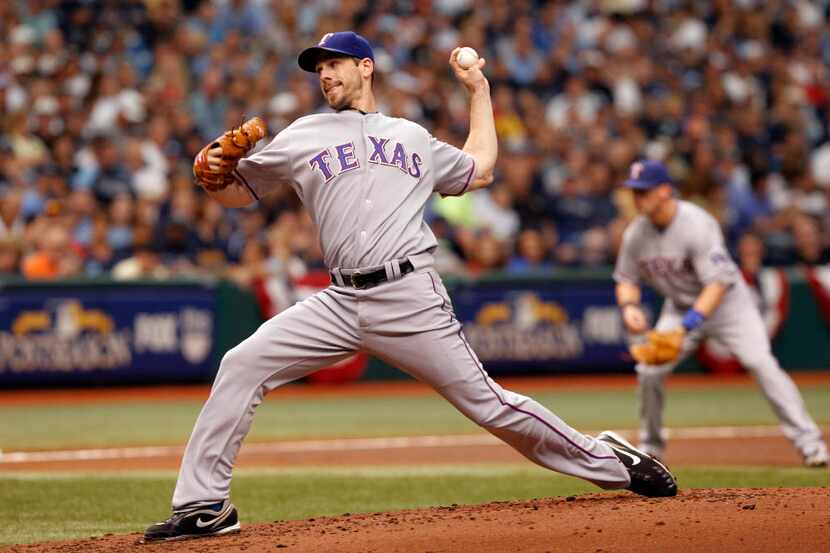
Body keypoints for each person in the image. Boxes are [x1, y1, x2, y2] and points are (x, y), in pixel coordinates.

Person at [143, 32, 677, 543]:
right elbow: (238, 193)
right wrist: (213, 172)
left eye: (334, 62)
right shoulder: (304, 134)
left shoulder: (411, 136)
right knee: (242, 363)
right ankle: (203, 506)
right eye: (318, 66)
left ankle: (614, 462)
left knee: (491, 406)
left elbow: (481, 169)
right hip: (339, 299)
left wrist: (479, 92)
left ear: (365, 67)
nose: (324, 73)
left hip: (409, 297)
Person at [613, 160, 828, 468]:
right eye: (635, 192)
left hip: (729, 306)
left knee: (761, 363)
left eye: (643, 191)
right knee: (649, 371)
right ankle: (651, 448)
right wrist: (629, 307)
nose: (637, 199)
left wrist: (685, 327)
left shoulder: (696, 223)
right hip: (680, 305)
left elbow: (715, 285)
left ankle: (811, 444)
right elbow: (626, 279)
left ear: (664, 191)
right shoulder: (636, 234)